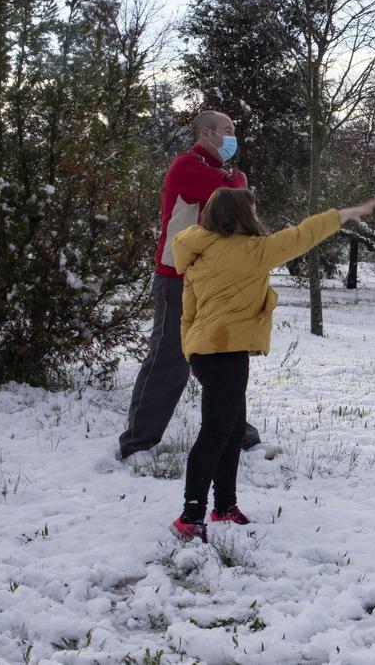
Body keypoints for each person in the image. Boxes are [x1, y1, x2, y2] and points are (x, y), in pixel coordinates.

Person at [169, 188, 375, 541]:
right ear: (238, 217)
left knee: (231, 432)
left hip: (207, 354)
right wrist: (343, 213)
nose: (256, 216)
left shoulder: (199, 253)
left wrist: (191, 352)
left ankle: (224, 506)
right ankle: (191, 516)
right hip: (227, 355)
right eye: (251, 210)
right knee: (216, 434)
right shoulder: (254, 251)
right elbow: (303, 234)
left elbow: (188, 312)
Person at [117, 110, 273, 463]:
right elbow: (234, 193)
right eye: (228, 131)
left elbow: (240, 201)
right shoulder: (186, 166)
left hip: (215, 283)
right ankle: (137, 444)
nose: (234, 138)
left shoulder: (222, 172)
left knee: (226, 360)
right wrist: (236, 180)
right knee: (169, 360)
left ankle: (240, 435)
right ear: (206, 134)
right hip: (177, 280)